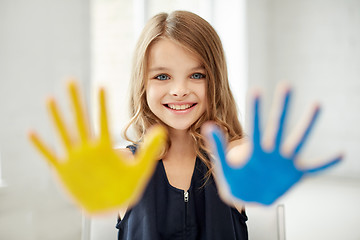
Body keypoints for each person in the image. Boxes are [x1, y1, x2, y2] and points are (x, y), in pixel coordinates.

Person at [116, 10, 248, 240]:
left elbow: (244, 158)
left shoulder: (231, 158)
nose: (179, 90)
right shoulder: (127, 166)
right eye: (162, 76)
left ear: (215, 79)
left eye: (197, 75)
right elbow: (108, 167)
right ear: (142, 84)